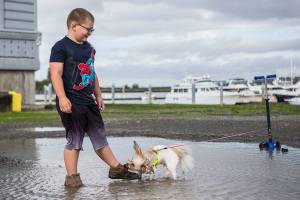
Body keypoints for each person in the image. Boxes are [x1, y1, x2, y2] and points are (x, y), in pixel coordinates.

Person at [49, 8, 140, 187]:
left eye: (92, 30)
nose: (89, 33)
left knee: (100, 138)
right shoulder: (60, 46)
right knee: (74, 141)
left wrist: (98, 94)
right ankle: (72, 178)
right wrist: (62, 97)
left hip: (88, 101)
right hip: (71, 101)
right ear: (74, 25)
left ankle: (116, 169)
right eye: (88, 29)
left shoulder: (89, 48)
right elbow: (55, 73)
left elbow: (92, 72)